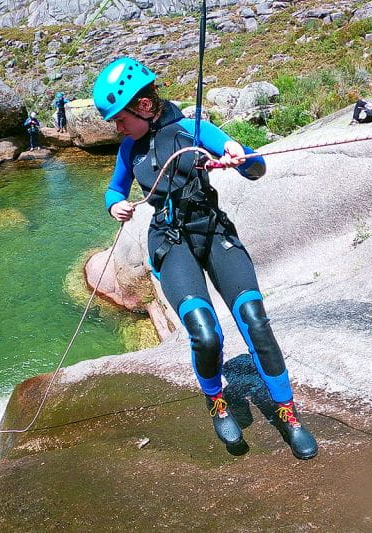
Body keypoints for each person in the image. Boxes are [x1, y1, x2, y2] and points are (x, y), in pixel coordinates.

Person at [93, 56, 318, 460]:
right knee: (205, 331)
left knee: (254, 319)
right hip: (169, 240)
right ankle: (217, 402)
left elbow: (257, 167)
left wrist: (238, 153)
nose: (117, 126)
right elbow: (113, 190)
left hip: (212, 232)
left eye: (119, 117)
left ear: (143, 107)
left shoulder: (194, 130)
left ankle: (288, 414)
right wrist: (115, 207)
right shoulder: (129, 150)